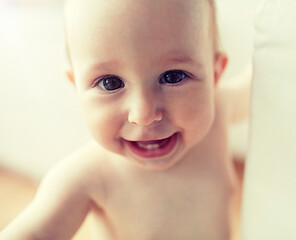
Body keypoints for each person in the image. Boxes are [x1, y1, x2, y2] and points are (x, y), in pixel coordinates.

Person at [0, 0, 251, 239]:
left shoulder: (219, 109)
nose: (143, 115)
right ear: (76, 87)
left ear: (215, 75)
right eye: (110, 83)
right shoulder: (85, 178)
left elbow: (264, 79)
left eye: (173, 76)